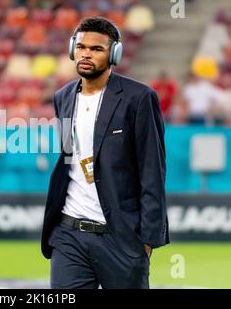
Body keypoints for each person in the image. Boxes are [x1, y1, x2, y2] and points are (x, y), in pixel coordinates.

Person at [41, 17, 169, 289]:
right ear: (72, 49)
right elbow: (69, 160)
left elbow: (152, 170)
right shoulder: (63, 97)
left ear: (114, 55)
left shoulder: (139, 98)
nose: (86, 53)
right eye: (82, 47)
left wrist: (147, 241)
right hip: (69, 233)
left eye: (97, 49)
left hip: (121, 237)